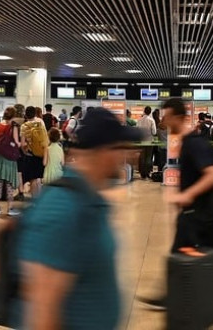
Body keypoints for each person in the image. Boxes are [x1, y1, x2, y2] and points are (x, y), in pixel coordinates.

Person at [18, 107, 140, 329]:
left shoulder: (90, 197)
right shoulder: (62, 205)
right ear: (103, 151)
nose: (130, 154)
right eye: (120, 147)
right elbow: (41, 312)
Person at [140, 97, 213, 317]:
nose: (163, 121)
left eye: (166, 116)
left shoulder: (194, 143)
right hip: (195, 211)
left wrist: (187, 195)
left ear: (178, 117)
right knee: (183, 250)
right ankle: (171, 294)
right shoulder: (187, 142)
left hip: (205, 211)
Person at [0, 108, 23, 217]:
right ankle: (10, 208)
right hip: (9, 159)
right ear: (14, 116)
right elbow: (16, 143)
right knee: (9, 183)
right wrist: (22, 143)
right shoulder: (13, 126)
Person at [20, 107, 48, 198]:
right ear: (35, 114)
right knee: (38, 178)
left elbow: (23, 143)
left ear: (26, 114)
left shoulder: (24, 126)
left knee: (32, 179)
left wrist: (25, 152)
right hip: (40, 154)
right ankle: (39, 198)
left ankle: (34, 200)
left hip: (30, 155)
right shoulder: (40, 123)